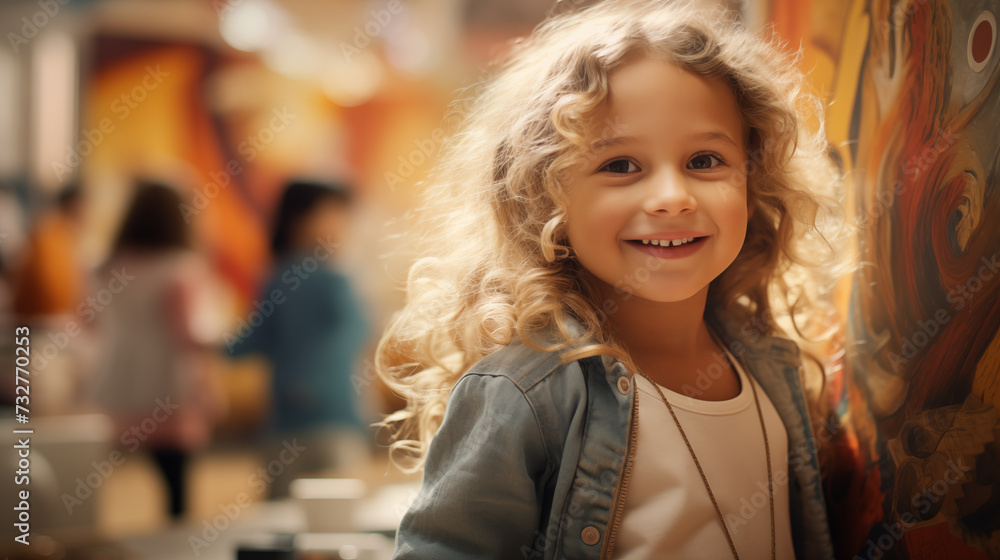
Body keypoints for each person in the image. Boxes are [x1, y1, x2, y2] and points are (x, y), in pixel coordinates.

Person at [374, 1, 846, 559]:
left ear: (754, 175)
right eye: (620, 166)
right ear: (543, 197)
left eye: (704, 160)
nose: (672, 197)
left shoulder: (770, 364)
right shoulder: (525, 394)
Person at [226, 178, 373, 498]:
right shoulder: (334, 278)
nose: (342, 225)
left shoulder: (278, 276)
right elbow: (361, 330)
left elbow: (252, 340)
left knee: (283, 516)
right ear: (299, 218)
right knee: (335, 513)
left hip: (289, 422)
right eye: (333, 213)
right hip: (331, 419)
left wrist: (217, 345)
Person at [90, 179, 227, 521]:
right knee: (175, 489)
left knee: (99, 488)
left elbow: (89, 322)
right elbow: (190, 337)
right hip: (167, 387)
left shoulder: (106, 267)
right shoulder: (180, 269)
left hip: (115, 381)